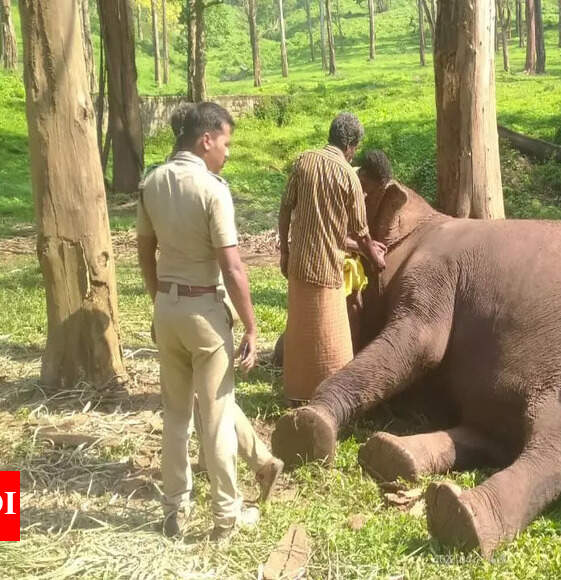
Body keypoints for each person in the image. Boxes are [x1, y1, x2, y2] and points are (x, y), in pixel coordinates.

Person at [137, 102, 280, 542]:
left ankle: (174, 509)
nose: (227, 152)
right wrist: (252, 327)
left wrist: (159, 297)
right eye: (226, 142)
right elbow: (233, 267)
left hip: (168, 308)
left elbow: (145, 251)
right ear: (206, 139)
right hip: (204, 310)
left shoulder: (151, 183)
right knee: (215, 417)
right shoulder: (212, 190)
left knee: (176, 416)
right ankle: (225, 517)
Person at [277, 113, 386, 403]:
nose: (354, 154)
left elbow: (285, 209)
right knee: (330, 340)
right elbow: (362, 234)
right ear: (350, 145)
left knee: (300, 330)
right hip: (327, 268)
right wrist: (375, 257)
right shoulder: (348, 175)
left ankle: (295, 392)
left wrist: (285, 251)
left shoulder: (304, 161)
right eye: (356, 148)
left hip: (299, 263)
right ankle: (329, 397)